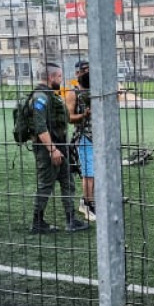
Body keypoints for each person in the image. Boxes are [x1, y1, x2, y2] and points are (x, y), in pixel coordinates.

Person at [28, 63, 90, 234]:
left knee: (67, 182)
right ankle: (37, 222)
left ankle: (71, 220)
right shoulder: (40, 97)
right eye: (60, 77)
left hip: (60, 147)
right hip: (48, 149)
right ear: (51, 77)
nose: (61, 80)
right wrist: (52, 150)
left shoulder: (50, 95)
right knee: (46, 184)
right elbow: (40, 127)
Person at [65, 61, 95, 222]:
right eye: (84, 71)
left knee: (95, 173)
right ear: (77, 73)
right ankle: (87, 203)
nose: (87, 73)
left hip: (98, 138)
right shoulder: (73, 93)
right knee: (88, 173)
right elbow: (69, 117)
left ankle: (93, 201)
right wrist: (84, 115)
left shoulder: (95, 89)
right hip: (84, 137)